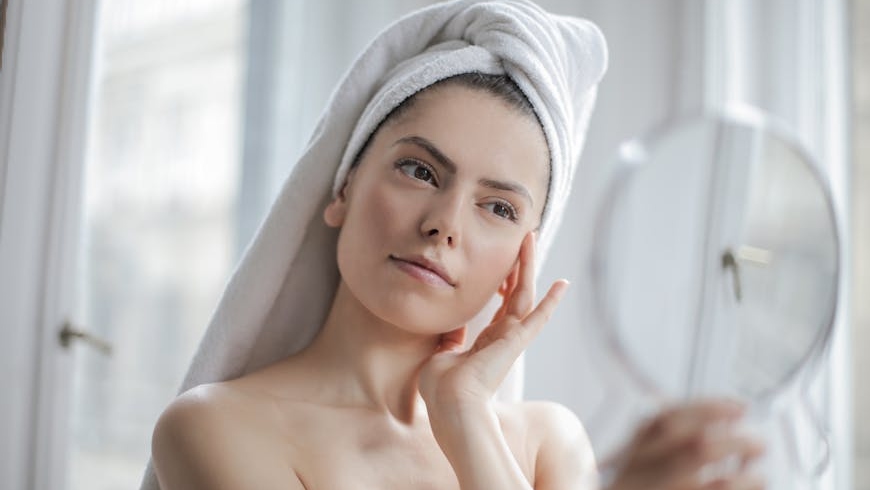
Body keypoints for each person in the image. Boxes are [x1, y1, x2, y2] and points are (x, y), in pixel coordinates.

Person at [143, 1, 765, 489]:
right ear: (342, 188)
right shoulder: (215, 427)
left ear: (520, 259)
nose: (445, 224)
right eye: (419, 171)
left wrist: (465, 414)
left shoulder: (549, 444)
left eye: (497, 207)